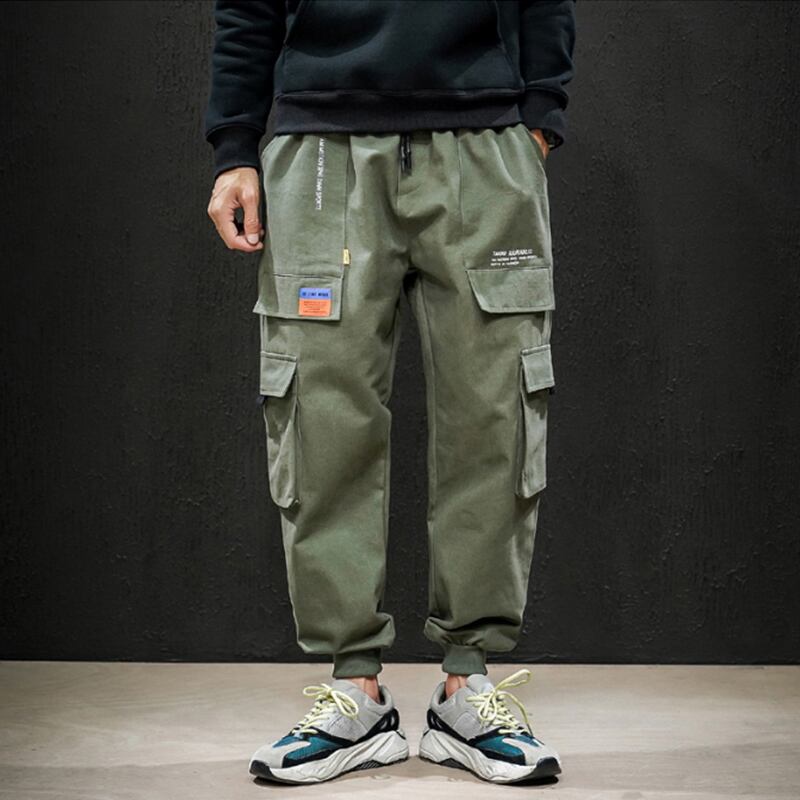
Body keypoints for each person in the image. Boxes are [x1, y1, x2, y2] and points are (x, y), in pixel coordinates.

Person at [204, 0, 575, 785]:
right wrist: (234, 146)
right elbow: (248, 5)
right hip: (320, 146)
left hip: (485, 142)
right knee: (320, 418)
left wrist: (540, 113)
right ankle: (355, 691)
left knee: (494, 415)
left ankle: (467, 684)